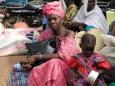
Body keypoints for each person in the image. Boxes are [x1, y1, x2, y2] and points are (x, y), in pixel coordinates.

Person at [8, 1, 80, 86]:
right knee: (18, 67)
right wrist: (29, 61)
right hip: (45, 65)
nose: (52, 22)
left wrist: (37, 57)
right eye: (49, 19)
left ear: (61, 19)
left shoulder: (69, 33)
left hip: (66, 69)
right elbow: (36, 50)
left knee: (55, 63)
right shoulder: (46, 33)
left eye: (54, 18)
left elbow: (62, 55)